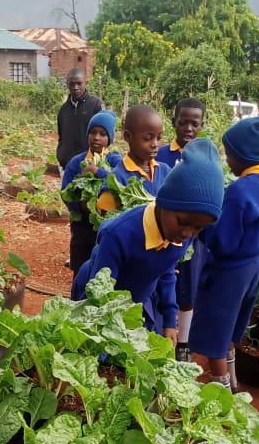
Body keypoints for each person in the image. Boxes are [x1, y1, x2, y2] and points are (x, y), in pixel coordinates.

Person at [71, 138, 225, 337]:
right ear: (163, 202)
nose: (188, 233)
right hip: (100, 302)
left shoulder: (181, 234)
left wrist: (170, 321)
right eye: (183, 222)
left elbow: (167, 270)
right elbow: (99, 297)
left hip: (141, 302)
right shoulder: (118, 235)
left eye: (198, 228)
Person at [189, 115, 259, 392]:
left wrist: (199, 227)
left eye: (229, 154)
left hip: (229, 270)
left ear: (243, 155)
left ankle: (222, 391)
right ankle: (233, 380)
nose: (227, 160)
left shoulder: (239, 190)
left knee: (214, 331)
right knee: (231, 327)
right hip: (254, 267)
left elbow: (223, 240)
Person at [156, 99, 206, 362]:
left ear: (202, 126)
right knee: (163, 283)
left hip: (192, 239)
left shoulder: (205, 159)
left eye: (194, 123)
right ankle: (162, 333)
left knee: (187, 290)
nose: (188, 128)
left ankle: (183, 343)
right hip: (163, 236)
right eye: (183, 122)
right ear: (173, 121)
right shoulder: (162, 155)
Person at [61, 110, 122, 274]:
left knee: (102, 270)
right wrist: (80, 207)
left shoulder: (116, 161)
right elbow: (65, 191)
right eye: (93, 132)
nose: (97, 137)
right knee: (80, 267)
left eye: (102, 134)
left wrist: (97, 172)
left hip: (107, 225)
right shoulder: (76, 162)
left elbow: (122, 181)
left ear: (110, 138)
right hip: (81, 225)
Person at [95, 104, 171, 215]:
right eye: (147, 138)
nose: (155, 144)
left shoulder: (166, 171)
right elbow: (106, 224)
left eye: (159, 138)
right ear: (127, 137)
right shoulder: (117, 179)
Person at [55, 68, 105, 170]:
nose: (75, 87)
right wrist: (61, 156)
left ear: (85, 83)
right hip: (67, 166)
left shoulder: (96, 106)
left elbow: (105, 137)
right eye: (72, 84)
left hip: (89, 166)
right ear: (67, 84)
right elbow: (61, 136)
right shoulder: (64, 110)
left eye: (79, 83)